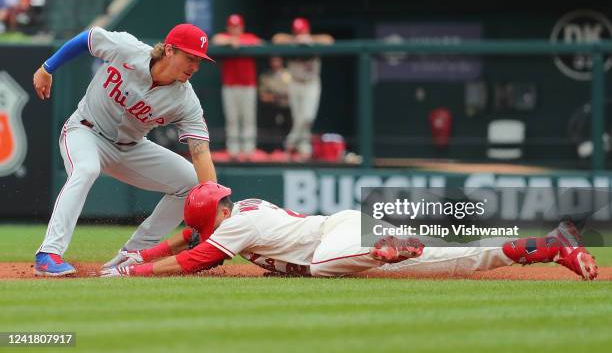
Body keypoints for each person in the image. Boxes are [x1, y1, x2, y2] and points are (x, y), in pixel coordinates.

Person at [101, 182, 598, 280]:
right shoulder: (232, 217)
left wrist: (133, 276)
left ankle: (390, 247)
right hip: (340, 226)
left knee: (319, 270)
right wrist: (136, 256)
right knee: (458, 255)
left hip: (337, 241)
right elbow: (188, 240)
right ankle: (551, 245)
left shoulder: (237, 227)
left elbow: (196, 256)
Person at [32, 23, 218, 276]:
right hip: (85, 131)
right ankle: (48, 254)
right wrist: (47, 68)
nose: (195, 67)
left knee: (192, 182)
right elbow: (88, 38)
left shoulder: (186, 100)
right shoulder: (128, 49)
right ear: (170, 50)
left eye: (199, 61)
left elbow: (200, 151)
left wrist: (211, 206)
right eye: (190, 58)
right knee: (86, 170)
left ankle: (133, 254)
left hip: (131, 148)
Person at [272, 18, 334, 160]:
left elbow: (329, 40)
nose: (300, 33)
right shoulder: (291, 41)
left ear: (307, 30)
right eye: (297, 31)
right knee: (298, 118)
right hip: (295, 83)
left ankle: (290, 143)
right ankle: (304, 150)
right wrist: (295, 39)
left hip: (311, 83)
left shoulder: (313, 40)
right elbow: (276, 39)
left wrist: (309, 39)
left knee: (307, 117)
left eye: (302, 31)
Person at [212, 14, 263, 161]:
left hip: (248, 86)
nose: (235, 29)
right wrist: (231, 41)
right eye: (232, 27)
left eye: (238, 26)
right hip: (230, 85)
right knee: (232, 119)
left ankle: (248, 151)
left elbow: (260, 43)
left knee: (248, 119)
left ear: (242, 27)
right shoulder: (224, 38)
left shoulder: (248, 37)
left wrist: (240, 42)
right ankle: (233, 151)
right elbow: (215, 40)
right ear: (228, 27)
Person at [258, 56, 292, 152]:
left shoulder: (288, 74)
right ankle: (270, 151)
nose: (275, 63)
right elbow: (263, 96)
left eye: (277, 61)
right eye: (273, 61)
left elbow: (291, 95)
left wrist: (279, 96)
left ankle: (289, 149)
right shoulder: (266, 76)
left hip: (287, 109)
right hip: (272, 109)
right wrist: (276, 97)